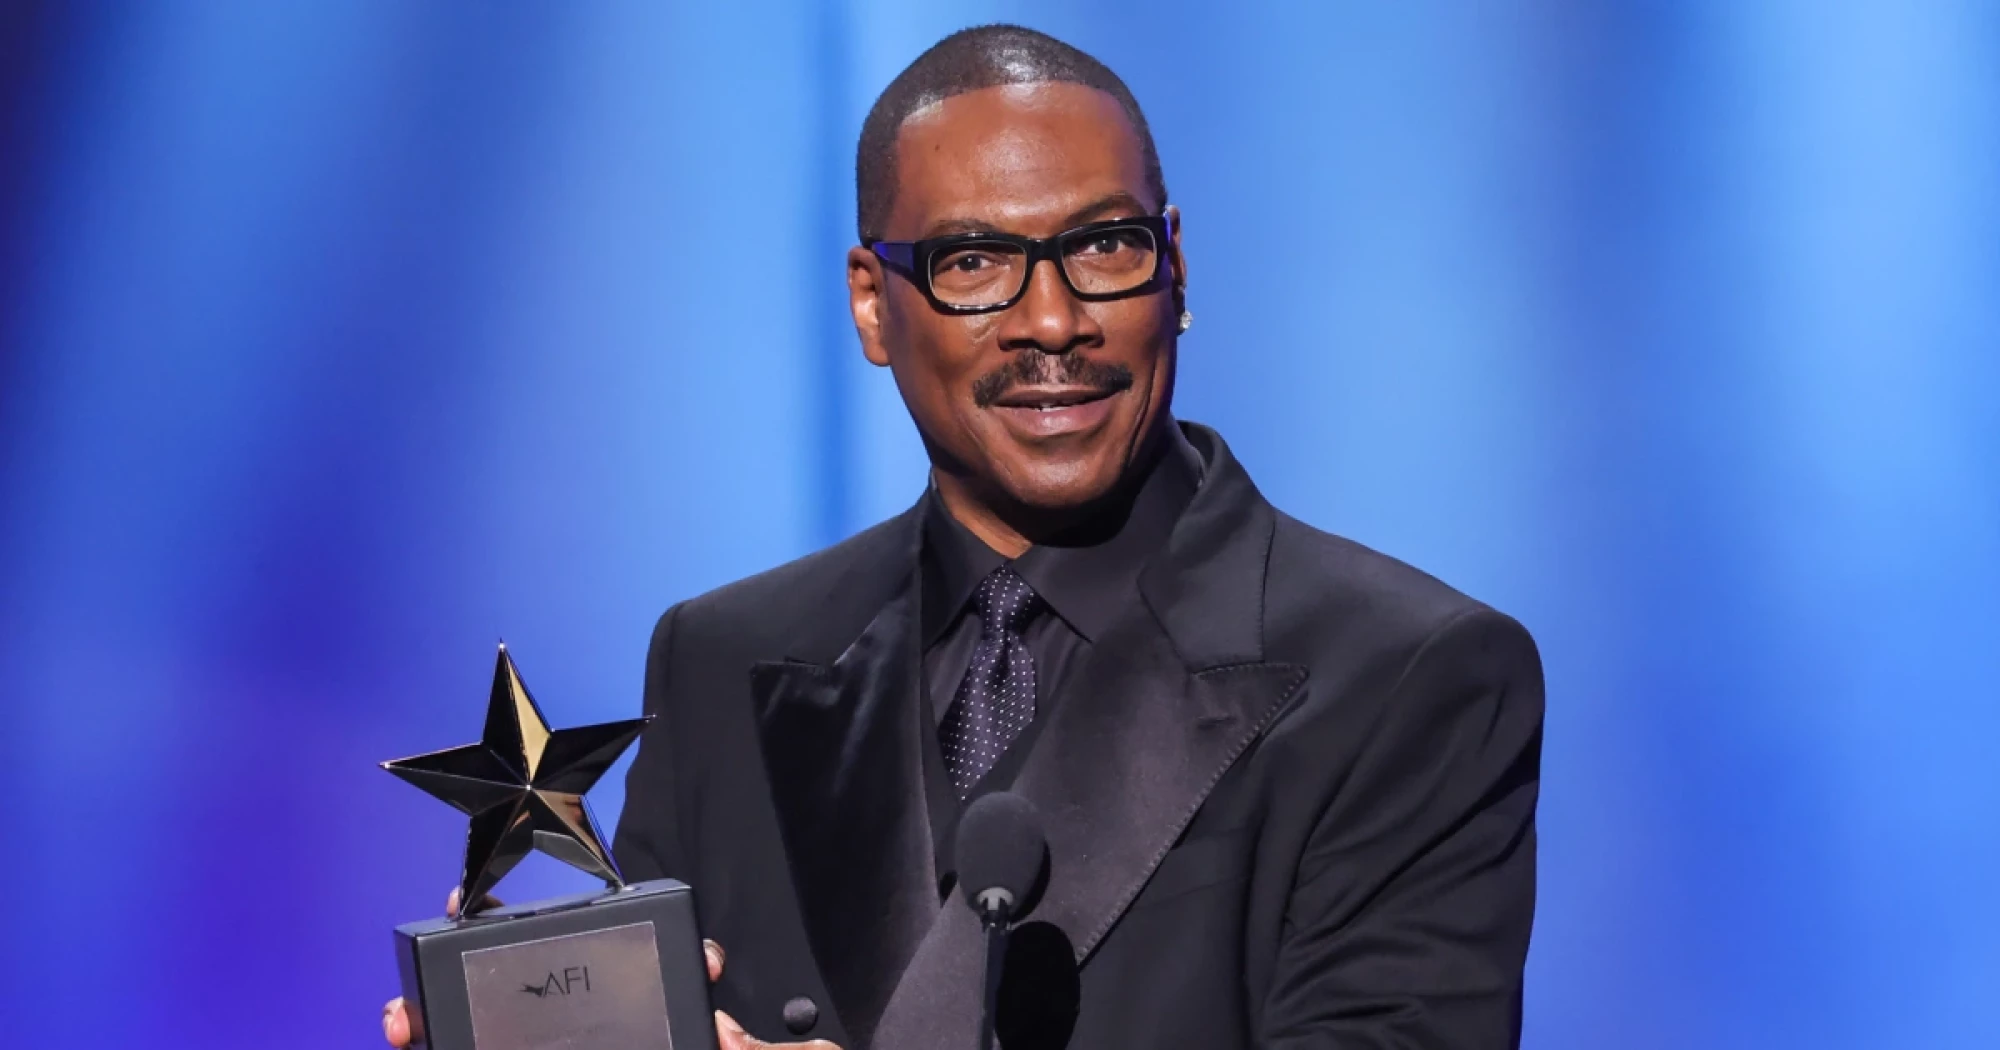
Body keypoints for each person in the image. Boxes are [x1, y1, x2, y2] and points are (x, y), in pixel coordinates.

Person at [384, 23, 1543, 1050]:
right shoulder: (721, 659)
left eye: (1104, 246)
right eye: (973, 263)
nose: (1053, 321)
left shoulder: (1407, 677)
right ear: (870, 304)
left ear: (1174, 266)